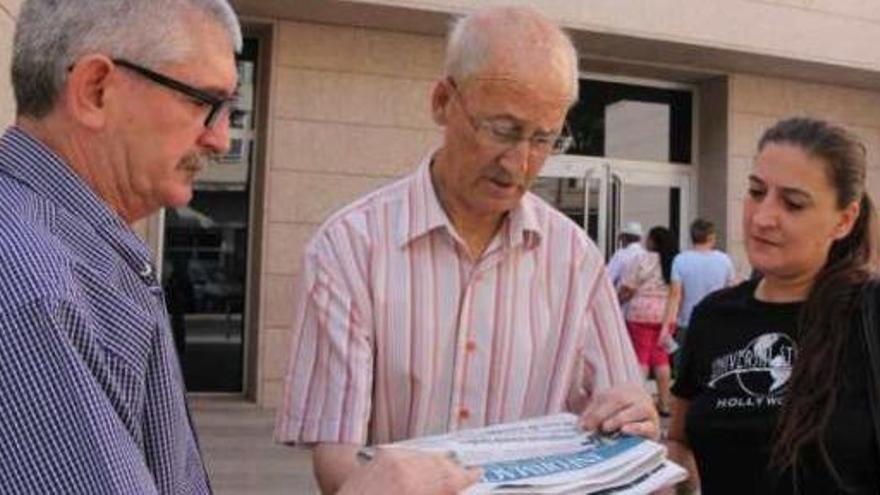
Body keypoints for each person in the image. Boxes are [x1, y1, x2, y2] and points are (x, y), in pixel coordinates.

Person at [0, 1, 471, 493]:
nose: (221, 139)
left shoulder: (69, 252)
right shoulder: (34, 292)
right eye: (203, 102)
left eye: (229, 111)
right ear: (96, 90)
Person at [275, 6, 658, 494]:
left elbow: (617, 417)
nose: (519, 162)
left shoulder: (575, 259)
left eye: (544, 139)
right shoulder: (350, 248)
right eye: (502, 129)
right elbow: (336, 454)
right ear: (442, 101)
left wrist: (632, 418)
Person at [667, 117, 880, 494]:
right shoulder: (713, 316)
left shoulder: (868, 312)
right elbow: (680, 442)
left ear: (844, 220)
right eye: (756, 191)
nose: (762, 218)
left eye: (793, 203)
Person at [660, 218, 735, 371]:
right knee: (714, 371)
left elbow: (675, 295)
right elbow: (731, 292)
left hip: (687, 323)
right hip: (716, 323)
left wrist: (666, 325)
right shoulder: (724, 260)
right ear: (711, 237)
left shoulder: (680, 260)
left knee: (684, 373)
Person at [618, 226, 678, 416]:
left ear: (653, 241)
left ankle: (639, 402)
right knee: (661, 360)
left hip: (639, 313)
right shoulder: (675, 263)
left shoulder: (641, 259)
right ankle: (665, 402)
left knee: (641, 358)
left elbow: (628, 287)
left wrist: (618, 300)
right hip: (664, 315)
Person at [607, 221, 645, 288]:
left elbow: (608, 278)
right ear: (639, 238)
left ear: (624, 237)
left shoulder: (621, 254)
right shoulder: (646, 255)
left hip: (623, 295)